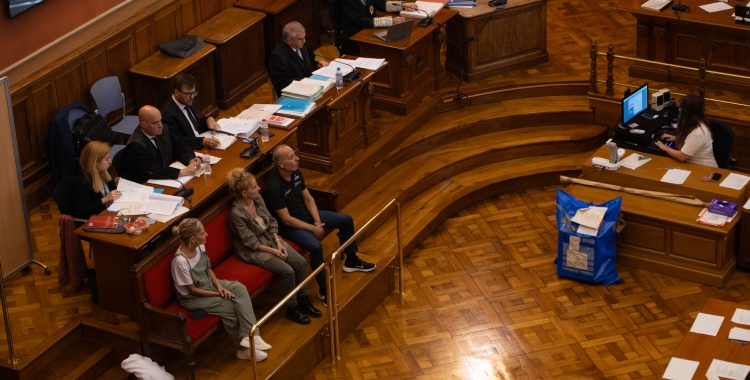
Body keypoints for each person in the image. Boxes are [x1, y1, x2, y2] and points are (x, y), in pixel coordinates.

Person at [262, 145, 375, 307]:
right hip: (290, 226)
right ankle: (323, 290)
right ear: (281, 164)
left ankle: (352, 260)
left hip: (306, 216)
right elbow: (286, 219)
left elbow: (308, 198)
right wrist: (312, 229)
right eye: (292, 157)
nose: (297, 159)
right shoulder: (273, 187)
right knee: (315, 247)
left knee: (346, 220)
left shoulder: (295, 173)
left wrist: (316, 221)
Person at [226, 168, 322, 325]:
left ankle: (304, 299)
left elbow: (271, 221)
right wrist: (275, 251)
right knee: (287, 271)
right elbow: (251, 243)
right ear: (244, 193)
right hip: (255, 250)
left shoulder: (257, 199)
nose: (258, 188)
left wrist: (278, 242)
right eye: (253, 187)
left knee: (300, 263)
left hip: (271, 240)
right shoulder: (237, 214)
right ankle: (292, 308)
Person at [170, 218, 272, 362]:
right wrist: (219, 293)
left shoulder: (200, 246)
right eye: (202, 233)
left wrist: (219, 285)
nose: (207, 234)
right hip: (193, 298)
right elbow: (192, 290)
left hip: (209, 284)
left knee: (239, 288)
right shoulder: (180, 261)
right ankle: (244, 350)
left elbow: (208, 269)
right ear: (193, 238)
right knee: (230, 307)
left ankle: (252, 337)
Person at [119, 105, 201, 184]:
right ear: (143, 125)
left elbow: (179, 145)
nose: (160, 125)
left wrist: (190, 159)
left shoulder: (162, 129)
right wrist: (182, 172)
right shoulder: (136, 146)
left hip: (165, 176)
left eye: (160, 120)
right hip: (144, 184)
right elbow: (153, 170)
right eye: (155, 123)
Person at [266, 21, 330, 98]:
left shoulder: (301, 44)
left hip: (311, 88)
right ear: (289, 40)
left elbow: (308, 61)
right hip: (293, 95)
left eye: (304, 37)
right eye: (300, 39)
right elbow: (281, 83)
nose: (304, 41)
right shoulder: (277, 58)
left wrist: (316, 64)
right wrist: (302, 80)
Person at [160, 73, 221, 150]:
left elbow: (200, 120)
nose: (192, 97)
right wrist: (202, 141)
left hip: (207, 143)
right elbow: (177, 141)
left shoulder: (191, 101)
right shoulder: (167, 113)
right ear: (176, 92)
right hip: (190, 150)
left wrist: (208, 119)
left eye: (194, 92)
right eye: (188, 93)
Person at [655, 95, 718, 168]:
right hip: (694, 164)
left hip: (703, 169)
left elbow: (682, 156)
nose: (679, 112)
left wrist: (664, 148)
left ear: (686, 113)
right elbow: (692, 140)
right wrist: (676, 138)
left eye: (680, 109)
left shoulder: (697, 133)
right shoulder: (698, 122)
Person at [338, 0, 410, 56]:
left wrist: (402, 5)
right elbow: (363, 21)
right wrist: (391, 21)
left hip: (370, 34)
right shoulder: (348, 1)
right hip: (354, 42)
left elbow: (383, 5)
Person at [71, 141, 122, 219]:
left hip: (108, 211)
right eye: (107, 159)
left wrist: (113, 183)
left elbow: (104, 190)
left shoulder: (102, 172)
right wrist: (104, 199)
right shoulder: (81, 184)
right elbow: (84, 212)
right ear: (95, 162)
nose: (110, 161)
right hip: (95, 219)